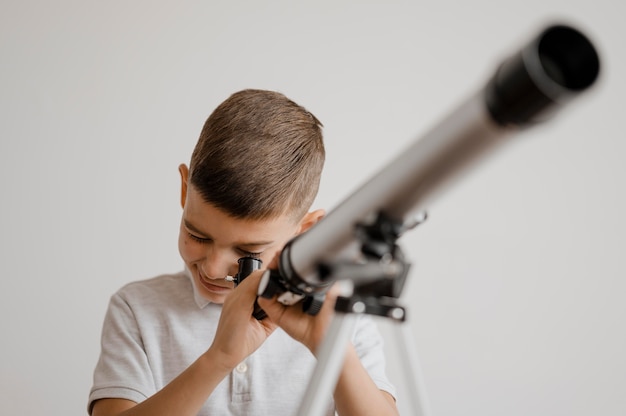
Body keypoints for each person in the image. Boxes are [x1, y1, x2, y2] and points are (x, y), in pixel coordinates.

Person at [88, 89, 399, 416]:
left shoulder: (340, 318)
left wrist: (328, 345)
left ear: (306, 232)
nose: (213, 268)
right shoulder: (137, 310)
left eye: (248, 251)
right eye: (197, 235)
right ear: (184, 189)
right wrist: (219, 358)